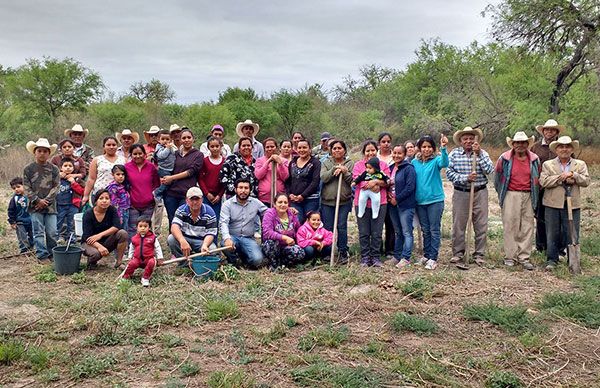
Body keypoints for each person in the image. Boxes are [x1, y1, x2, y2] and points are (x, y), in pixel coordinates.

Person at [539, 136, 590, 270]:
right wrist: (560, 178)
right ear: (556, 149)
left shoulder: (580, 164)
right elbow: (543, 182)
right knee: (552, 232)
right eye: (561, 146)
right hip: (552, 203)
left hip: (573, 203)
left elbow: (586, 181)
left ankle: (573, 260)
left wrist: (574, 175)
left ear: (572, 149)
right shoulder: (548, 164)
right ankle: (552, 260)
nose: (564, 149)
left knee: (572, 232)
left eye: (567, 146)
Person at [446, 127, 494, 266]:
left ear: (475, 140)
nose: (468, 141)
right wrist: (465, 178)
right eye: (465, 139)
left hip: (480, 192)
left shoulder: (482, 153)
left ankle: (479, 254)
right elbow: (449, 173)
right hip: (461, 192)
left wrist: (478, 154)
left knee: (481, 224)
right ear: (460, 141)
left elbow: (489, 170)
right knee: (459, 224)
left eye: (471, 138)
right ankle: (458, 253)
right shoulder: (454, 154)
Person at [494, 131, 541, 271]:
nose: (520, 145)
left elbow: (537, 177)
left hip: (528, 194)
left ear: (527, 144)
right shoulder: (505, 158)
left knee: (527, 225)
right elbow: (497, 177)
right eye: (517, 143)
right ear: (513, 144)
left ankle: (524, 257)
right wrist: (502, 193)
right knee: (510, 224)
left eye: (523, 143)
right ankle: (510, 256)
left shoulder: (534, 159)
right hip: (511, 194)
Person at [412, 134, 449, 270]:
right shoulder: (414, 163)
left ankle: (433, 257)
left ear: (433, 148)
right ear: (419, 148)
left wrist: (444, 148)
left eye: (429, 147)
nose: (426, 149)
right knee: (425, 230)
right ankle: (426, 255)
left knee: (434, 229)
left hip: (435, 200)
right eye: (423, 147)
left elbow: (445, 163)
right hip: (420, 201)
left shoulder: (436, 161)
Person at [353, 140, 391, 267]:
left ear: (377, 151)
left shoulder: (383, 165)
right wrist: (371, 184)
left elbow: (387, 181)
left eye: (373, 150)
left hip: (380, 203)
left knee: (377, 231)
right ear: (364, 152)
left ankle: (375, 257)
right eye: (367, 150)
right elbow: (357, 180)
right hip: (361, 203)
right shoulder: (359, 165)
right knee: (364, 231)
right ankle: (365, 257)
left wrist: (376, 183)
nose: (370, 153)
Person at [23, 138, 60, 262]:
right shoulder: (28, 169)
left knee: (52, 232)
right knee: (38, 232)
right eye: (39, 151)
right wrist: (37, 200)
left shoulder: (54, 169)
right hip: (35, 206)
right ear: (35, 152)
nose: (42, 153)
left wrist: (46, 201)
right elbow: (26, 187)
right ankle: (42, 255)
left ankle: (53, 253)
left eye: (45, 151)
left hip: (50, 206)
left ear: (49, 153)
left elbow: (56, 187)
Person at [220, 178, 268, 269]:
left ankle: (245, 260)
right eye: (240, 188)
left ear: (250, 190)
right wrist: (227, 239)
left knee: (258, 260)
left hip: (248, 238)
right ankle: (233, 260)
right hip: (232, 237)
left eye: (246, 188)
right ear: (235, 189)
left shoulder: (255, 203)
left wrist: (287, 210)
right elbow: (223, 223)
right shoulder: (227, 204)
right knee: (224, 245)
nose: (243, 191)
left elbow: (269, 213)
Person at [531, 119, 563, 254]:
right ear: (543, 131)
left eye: (552, 130)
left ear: (556, 132)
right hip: (540, 187)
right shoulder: (536, 147)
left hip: (558, 187)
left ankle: (559, 248)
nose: (549, 132)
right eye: (547, 129)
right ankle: (541, 246)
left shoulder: (562, 146)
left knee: (558, 218)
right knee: (540, 217)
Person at [320, 139, 354, 264]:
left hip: (343, 201)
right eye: (334, 148)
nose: (337, 150)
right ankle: (328, 252)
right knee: (328, 228)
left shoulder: (349, 163)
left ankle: (343, 251)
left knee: (342, 226)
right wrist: (334, 169)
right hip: (327, 202)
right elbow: (323, 178)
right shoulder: (326, 163)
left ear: (344, 150)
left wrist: (345, 172)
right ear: (331, 150)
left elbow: (352, 180)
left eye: (340, 148)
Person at [163, 128, 204, 224]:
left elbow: (191, 171)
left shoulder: (198, 155)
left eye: (189, 137)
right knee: (172, 220)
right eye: (184, 138)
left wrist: (172, 178)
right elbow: (166, 165)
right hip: (171, 193)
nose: (186, 140)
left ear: (193, 139)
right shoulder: (175, 154)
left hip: (186, 193)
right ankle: (172, 239)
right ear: (180, 140)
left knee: (184, 220)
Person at [81, 189, 129, 268]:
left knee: (123, 233)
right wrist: (99, 247)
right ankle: (91, 261)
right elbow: (87, 236)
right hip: (89, 242)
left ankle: (119, 262)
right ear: (96, 201)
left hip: (106, 241)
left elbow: (117, 226)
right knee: (96, 254)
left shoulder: (112, 210)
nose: (104, 201)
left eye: (107, 198)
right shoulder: (88, 214)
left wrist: (100, 235)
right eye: (101, 198)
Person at [167, 187, 218, 261]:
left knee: (212, 249)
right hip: (185, 238)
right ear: (187, 200)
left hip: (201, 241)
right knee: (171, 239)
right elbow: (174, 227)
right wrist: (182, 241)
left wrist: (205, 245)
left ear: (202, 200)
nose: (194, 202)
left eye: (197, 199)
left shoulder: (209, 212)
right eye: (192, 199)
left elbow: (211, 233)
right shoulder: (181, 210)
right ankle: (184, 263)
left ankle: (199, 261)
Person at [389, 145, 416, 268]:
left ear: (404, 155)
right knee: (398, 231)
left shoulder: (408, 168)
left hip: (405, 205)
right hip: (392, 204)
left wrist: (397, 199)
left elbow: (410, 187)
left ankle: (406, 258)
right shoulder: (390, 168)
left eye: (399, 153)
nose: (396, 155)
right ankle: (397, 256)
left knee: (407, 232)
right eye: (394, 153)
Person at [261, 193, 305, 268]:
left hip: (287, 246)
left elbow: (298, 229)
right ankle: (273, 265)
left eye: (285, 202)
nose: (283, 204)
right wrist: (284, 237)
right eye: (280, 202)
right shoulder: (269, 213)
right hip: (273, 245)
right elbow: (267, 233)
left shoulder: (292, 214)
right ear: (275, 204)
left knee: (300, 253)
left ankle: (282, 264)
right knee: (270, 243)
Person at [125, 145, 160, 236]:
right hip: (133, 204)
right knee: (133, 228)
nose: (137, 156)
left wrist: (151, 196)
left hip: (148, 204)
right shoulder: (127, 167)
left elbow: (156, 184)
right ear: (131, 155)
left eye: (140, 153)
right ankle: (133, 249)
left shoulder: (151, 167)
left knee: (146, 228)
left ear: (144, 154)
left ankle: (146, 248)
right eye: (135, 154)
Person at [82, 136, 126, 205]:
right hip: (100, 193)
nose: (111, 147)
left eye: (114, 145)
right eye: (108, 145)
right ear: (104, 146)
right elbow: (91, 178)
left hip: (118, 194)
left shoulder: (123, 160)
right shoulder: (97, 160)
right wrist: (86, 195)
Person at [286, 139, 321, 224]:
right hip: (295, 200)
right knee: (297, 221)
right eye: (299, 148)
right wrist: (289, 194)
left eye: (304, 147)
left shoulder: (315, 163)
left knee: (311, 223)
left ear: (310, 149)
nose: (302, 150)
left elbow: (315, 182)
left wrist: (303, 195)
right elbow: (288, 180)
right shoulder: (293, 162)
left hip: (311, 199)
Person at [122, 217, 163, 287]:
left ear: (149, 227)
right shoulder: (134, 238)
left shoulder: (152, 238)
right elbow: (131, 248)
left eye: (145, 226)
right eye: (140, 226)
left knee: (152, 262)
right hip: (137, 259)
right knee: (131, 264)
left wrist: (160, 258)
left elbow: (158, 248)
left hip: (148, 258)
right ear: (137, 227)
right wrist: (130, 257)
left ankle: (145, 278)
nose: (143, 228)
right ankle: (126, 277)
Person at [198, 136, 226, 225]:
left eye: (217, 146)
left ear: (221, 146)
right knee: (204, 218)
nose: (215, 149)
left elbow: (225, 181)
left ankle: (214, 238)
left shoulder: (225, 162)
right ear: (208, 147)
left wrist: (219, 195)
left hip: (218, 197)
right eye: (212, 146)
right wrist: (206, 193)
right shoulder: (205, 161)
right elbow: (200, 179)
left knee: (215, 219)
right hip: (206, 196)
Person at [254, 137, 289, 206]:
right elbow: (258, 176)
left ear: (276, 147)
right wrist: (268, 161)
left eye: (272, 146)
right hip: (264, 198)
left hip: (280, 199)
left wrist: (280, 163)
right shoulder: (259, 161)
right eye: (267, 147)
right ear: (264, 149)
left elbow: (285, 177)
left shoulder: (284, 161)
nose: (270, 149)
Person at [56, 159, 84, 241]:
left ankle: (71, 239)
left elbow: (82, 191)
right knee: (58, 222)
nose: (68, 168)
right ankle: (55, 239)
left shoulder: (77, 180)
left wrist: (73, 183)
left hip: (73, 205)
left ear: (73, 168)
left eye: (70, 166)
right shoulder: (57, 179)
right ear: (61, 168)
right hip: (60, 204)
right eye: (65, 166)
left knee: (71, 223)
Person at [8, 177, 34, 253]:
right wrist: (12, 222)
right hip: (20, 221)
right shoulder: (14, 199)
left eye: (18, 187)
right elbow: (11, 210)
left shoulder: (30, 196)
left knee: (33, 234)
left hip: (31, 220)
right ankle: (24, 249)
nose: (16, 189)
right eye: (14, 188)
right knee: (22, 236)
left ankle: (32, 247)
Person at [153, 129, 177, 201]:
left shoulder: (170, 146)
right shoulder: (159, 147)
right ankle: (157, 193)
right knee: (166, 183)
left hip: (171, 168)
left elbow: (175, 153)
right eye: (163, 139)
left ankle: (161, 195)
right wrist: (167, 148)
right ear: (159, 140)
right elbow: (161, 156)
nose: (165, 141)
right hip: (163, 168)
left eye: (167, 139)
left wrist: (171, 147)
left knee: (170, 183)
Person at [106, 165, 130, 232]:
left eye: (122, 174)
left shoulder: (122, 186)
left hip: (126, 210)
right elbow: (113, 203)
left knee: (126, 229)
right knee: (121, 231)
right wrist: (119, 216)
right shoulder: (113, 187)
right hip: (119, 213)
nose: (121, 176)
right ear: (113, 175)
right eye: (118, 174)